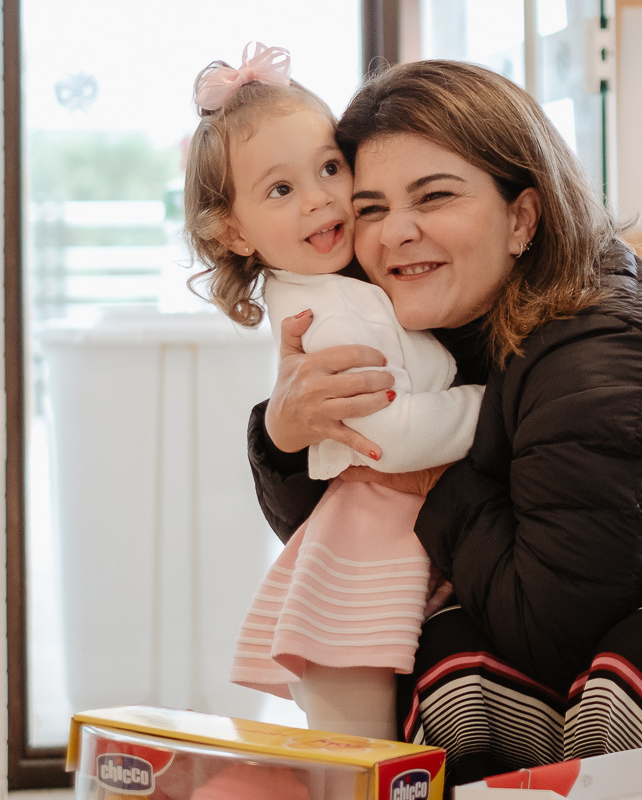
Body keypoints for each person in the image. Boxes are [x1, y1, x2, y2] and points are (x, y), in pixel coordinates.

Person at [246, 59, 642, 783]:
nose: (396, 232)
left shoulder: (595, 359)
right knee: (429, 636)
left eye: (434, 196)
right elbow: (347, 508)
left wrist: (427, 474)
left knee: (478, 652)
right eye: (370, 208)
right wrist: (286, 434)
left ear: (522, 216)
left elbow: (552, 629)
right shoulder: (460, 322)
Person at [182, 43, 483, 739]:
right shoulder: (327, 315)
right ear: (233, 231)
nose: (320, 197)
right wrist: (494, 408)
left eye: (329, 168)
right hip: (360, 568)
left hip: (384, 547)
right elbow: (384, 434)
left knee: (372, 761)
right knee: (360, 763)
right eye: (281, 190)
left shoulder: (345, 287)